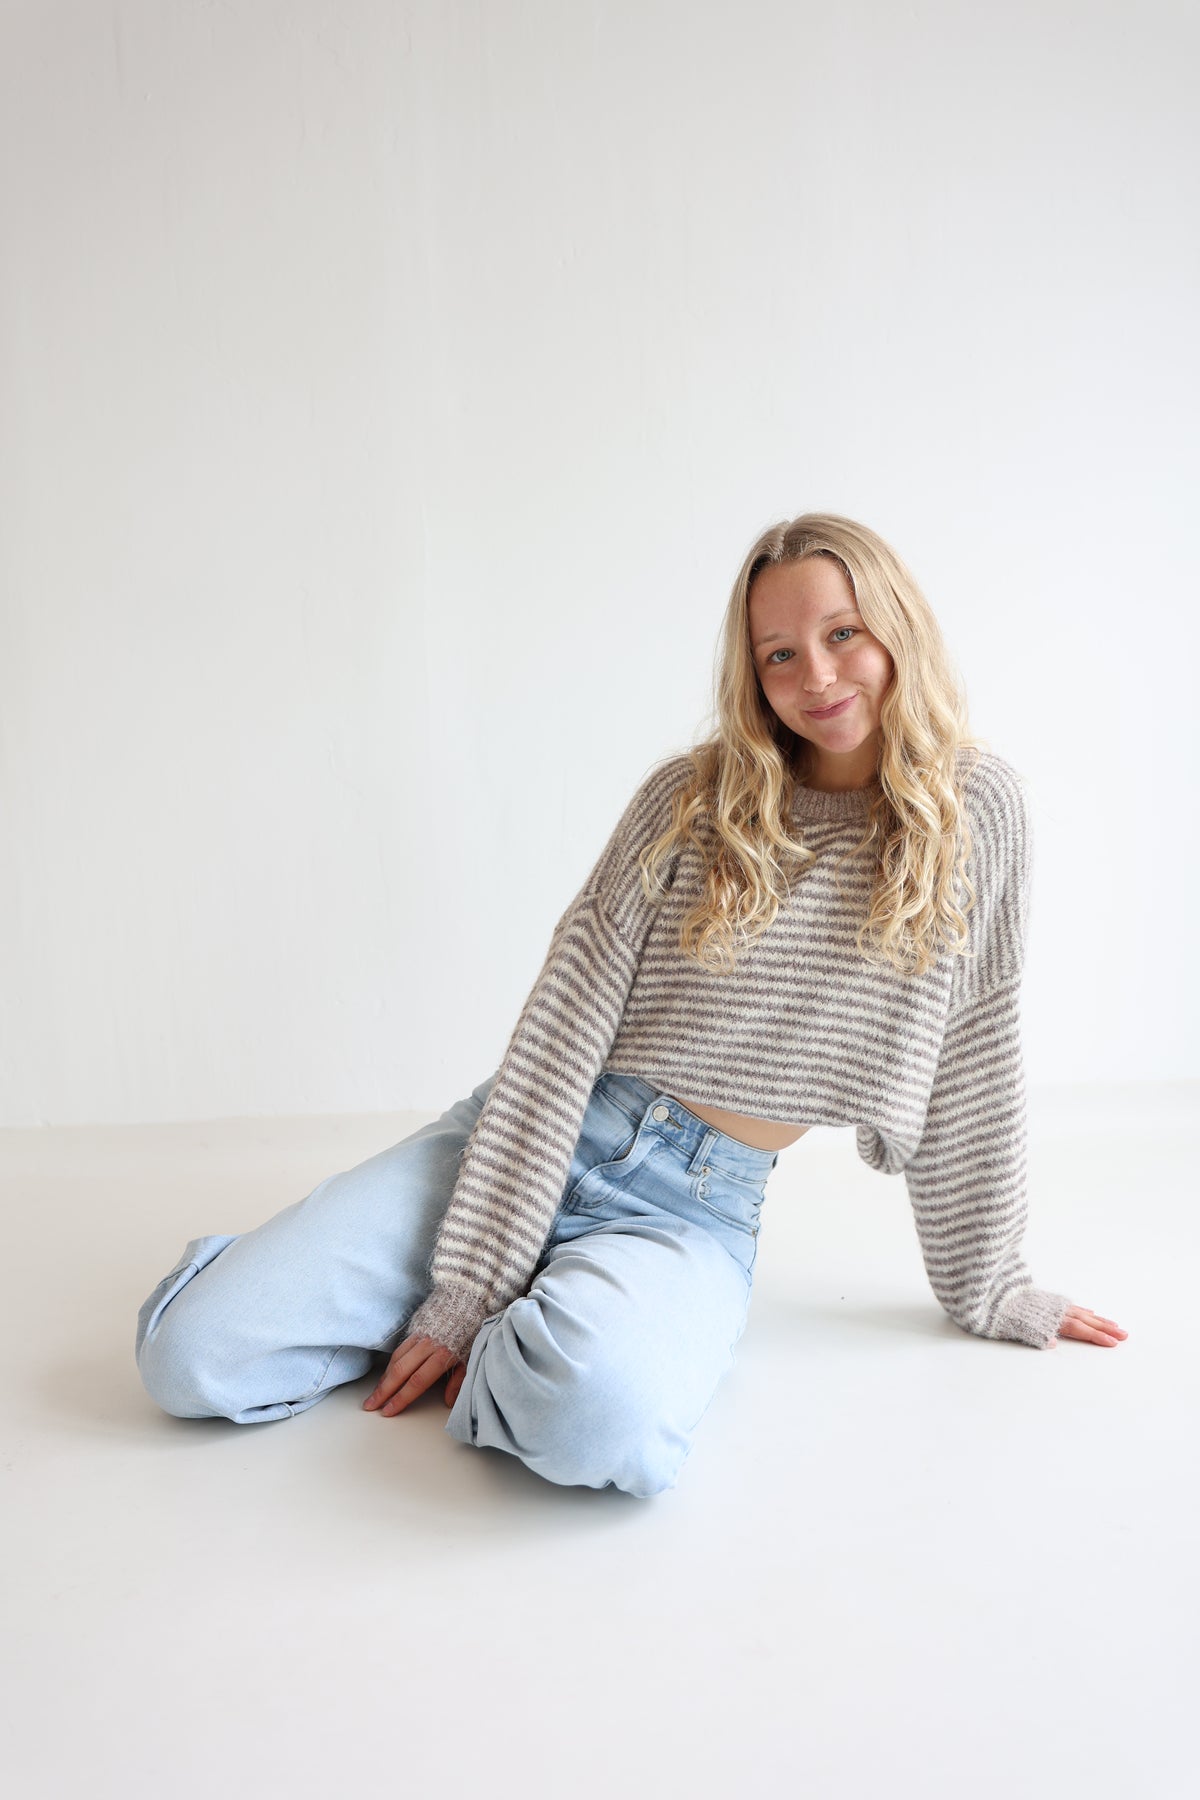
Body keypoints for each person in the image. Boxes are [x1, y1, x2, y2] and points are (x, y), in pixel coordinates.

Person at [134, 511, 1127, 1497]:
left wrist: (989, 1282)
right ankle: (476, 1304)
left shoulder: (975, 811)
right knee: (191, 1358)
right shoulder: (691, 800)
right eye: (779, 654)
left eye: (843, 633)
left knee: (597, 1417)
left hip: (689, 1213)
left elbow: (976, 1052)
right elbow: (559, 1029)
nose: (817, 677)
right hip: (527, 1136)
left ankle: (527, 1327)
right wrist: (471, 1285)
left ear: (896, 627)